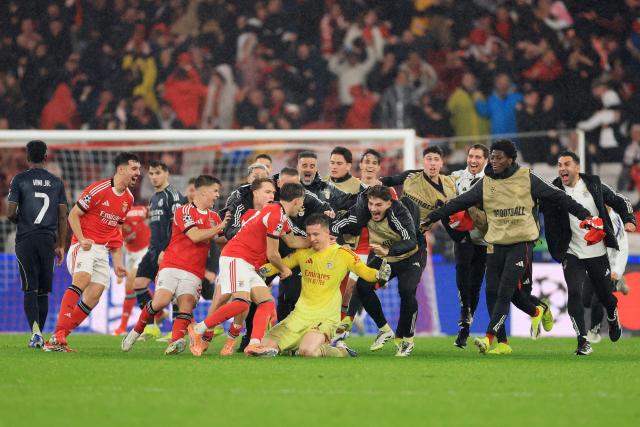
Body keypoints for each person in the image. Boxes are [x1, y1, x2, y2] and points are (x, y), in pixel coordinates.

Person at [422, 140, 593, 355]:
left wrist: (585, 215)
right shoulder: (486, 183)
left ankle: (488, 337)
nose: (494, 161)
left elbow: (559, 195)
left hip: (521, 243)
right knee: (492, 291)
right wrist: (432, 217)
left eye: (498, 157)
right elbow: (460, 202)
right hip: (495, 243)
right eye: (492, 157)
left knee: (505, 290)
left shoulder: (526, 176)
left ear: (510, 159)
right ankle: (512, 335)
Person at [246, 214, 391, 357]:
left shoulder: (343, 253)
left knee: (307, 351)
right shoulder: (303, 253)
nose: (311, 239)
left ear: (327, 233)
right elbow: (281, 265)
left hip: (325, 317)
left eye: (316, 234)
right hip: (299, 315)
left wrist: (379, 275)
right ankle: (296, 345)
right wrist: (261, 270)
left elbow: (363, 271)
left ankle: (341, 351)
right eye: (308, 234)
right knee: (263, 347)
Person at [190, 183, 310, 355]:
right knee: (240, 302)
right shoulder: (276, 214)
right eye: (301, 203)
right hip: (236, 258)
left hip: (248, 264)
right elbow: (272, 253)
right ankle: (199, 330)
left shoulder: (278, 214)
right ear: (297, 200)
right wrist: (283, 269)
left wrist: (313, 241)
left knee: (267, 302)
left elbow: (293, 242)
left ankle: (254, 344)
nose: (302, 206)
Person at [44, 152, 141, 352]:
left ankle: (57, 339)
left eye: (139, 169)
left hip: (102, 251)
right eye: (134, 168)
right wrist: (81, 239)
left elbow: (116, 231)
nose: (138, 173)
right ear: (121, 169)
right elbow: (73, 215)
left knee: (95, 294)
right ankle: (59, 334)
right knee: (82, 279)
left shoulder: (129, 199)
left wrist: (118, 263)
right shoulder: (99, 189)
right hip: (84, 245)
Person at [122, 175, 228, 355]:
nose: (218, 195)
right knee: (160, 301)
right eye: (215, 191)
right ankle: (136, 331)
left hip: (194, 270)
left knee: (186, 304)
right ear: (203, 192)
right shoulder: (183, 211)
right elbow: (195, 235)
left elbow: (218, 240)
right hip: (172, 264)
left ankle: (175, 341)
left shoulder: (215, 217)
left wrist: (236, 232)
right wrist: (220, 227)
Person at [541, 151, 635, 355]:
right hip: (571, 251)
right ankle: (582, 340)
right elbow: (535, 206)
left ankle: (612, 314)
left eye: (567, 164)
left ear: (577, 167)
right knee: (574, 292)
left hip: (597, 251)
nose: (562, 168)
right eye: (559, 164)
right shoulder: (553, 190)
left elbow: (620, 200)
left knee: (605, 296)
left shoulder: (594, 185)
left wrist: (629, 219)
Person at [331, 185, 422, 356]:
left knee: (407, 291)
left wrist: (389, 251)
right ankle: (384, 329)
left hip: (410, 256)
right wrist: (336, 238)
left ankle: (408, 341)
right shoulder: (362, 211)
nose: (373, 208)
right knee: (362, 286)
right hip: (384, 257)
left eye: (378, 205)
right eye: (371, 203)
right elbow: (339, 225)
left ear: (389, 203)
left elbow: (411, 240)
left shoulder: (399, 213)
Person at [7, 140, 68, 348]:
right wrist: (60, 245)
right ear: (45, 157)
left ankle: (35, 333)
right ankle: (39, 334)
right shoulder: (56, 182)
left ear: (27, 157)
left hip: (25, 239)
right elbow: (62, 216)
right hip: (47, 240)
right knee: (43, 290)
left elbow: (9, 212)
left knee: (29, 289)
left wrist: (22, 221)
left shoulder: (19, 180)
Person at [132, 160, 183, 339]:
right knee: (138, 285)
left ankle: (177, 332)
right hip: (153, 249)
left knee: (175, 292)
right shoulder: (154, 198)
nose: (154, 177)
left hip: (169, 250)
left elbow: (178, 225)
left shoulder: (173, 196)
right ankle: (153, 324)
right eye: (151, 174)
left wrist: (168, 249)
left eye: (158, 173)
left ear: (166, 174)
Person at [448, 144, 489, 348]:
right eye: (471, 156)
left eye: (478, 157)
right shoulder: (456, 178)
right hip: (463, 236)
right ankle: (464, 311)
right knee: (462, 269)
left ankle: (465, 327)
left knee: (476, 284)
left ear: (486, 160)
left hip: (484, 239)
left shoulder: (492, 180)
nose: (473, 160)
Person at [586, 207, 629, 343]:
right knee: (585, 300)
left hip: (610, 267)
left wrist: (617, 270)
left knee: (597, 299)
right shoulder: (591, 215)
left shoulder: (616, 221)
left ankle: (595, 329)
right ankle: (617, 286)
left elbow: (623, 246)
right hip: (593, 265)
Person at [114, 204, 150, 336]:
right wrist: (118, 267)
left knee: (133, 282)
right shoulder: (111, 225)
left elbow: (149, 211)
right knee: (130, 288)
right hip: (129, 253)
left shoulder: (136, 213)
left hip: (145, 249)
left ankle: (122, 327)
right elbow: (115, 245)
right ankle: (159, 314)